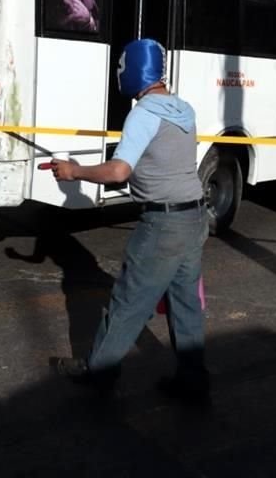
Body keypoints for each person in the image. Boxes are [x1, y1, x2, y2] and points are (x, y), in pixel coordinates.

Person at [50, 38, 210, 405]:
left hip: (164, 224)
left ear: (135, 69)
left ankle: (99, 373)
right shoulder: (183, 108)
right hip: (194, 216)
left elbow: (120, 171)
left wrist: (75, 171)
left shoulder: (144, 112)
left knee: (128, 302)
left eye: (122, 67)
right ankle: (194, 383)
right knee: (185, 304)